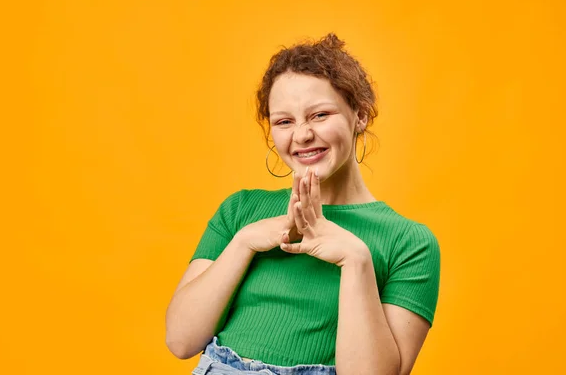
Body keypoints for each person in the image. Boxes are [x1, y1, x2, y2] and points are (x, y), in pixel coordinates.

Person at [165, 33, 440, 375]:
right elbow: (180, 340)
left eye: (320, 115)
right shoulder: (240, 211)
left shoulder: (409, 242)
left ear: (361, 115)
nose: (302, 135)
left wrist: (356, 260)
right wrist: (245, 241)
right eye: (284, 121)